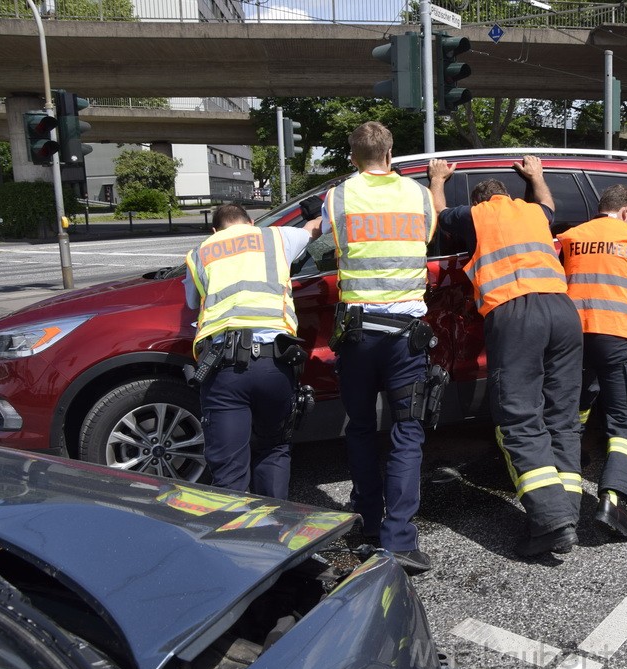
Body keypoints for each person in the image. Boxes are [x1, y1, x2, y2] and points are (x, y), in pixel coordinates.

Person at [428, 155, 584, 558]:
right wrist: (536, 176)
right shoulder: (534, 211)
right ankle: (567, 511)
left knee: (518, 414)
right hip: (563, 310)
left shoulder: (475, 216)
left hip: (516, 311)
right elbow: (549, 203)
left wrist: (438, 179)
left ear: (481, 202)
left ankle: (550, 524)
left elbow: (439, 214)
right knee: (562, 413)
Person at [315, 121, 437, 575]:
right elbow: (426, 239)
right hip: (406, 334)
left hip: (359, 333)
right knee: (407, 432)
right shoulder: (418, 195)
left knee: (361, 427)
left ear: (352, 156)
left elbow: (328, 243)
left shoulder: (339, 196)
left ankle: (366, 517)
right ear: (390, 153)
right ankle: (399, 540)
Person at [183, 203, 321, 500]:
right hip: (275, 363)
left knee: (230, 470)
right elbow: (314, 229)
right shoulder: (276, 237)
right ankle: (272, 535)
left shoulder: (200, 253)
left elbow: (193, 301)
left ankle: (234, 541)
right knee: (273, 449)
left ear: (214, 230)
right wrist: (314, 214)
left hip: (224, 369)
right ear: (251, 222)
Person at [557, 184, 627, 541]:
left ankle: (564, 502)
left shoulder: (570, 237)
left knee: (573, 411)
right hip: (616, 335)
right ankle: (613, 500)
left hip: (574, 336)